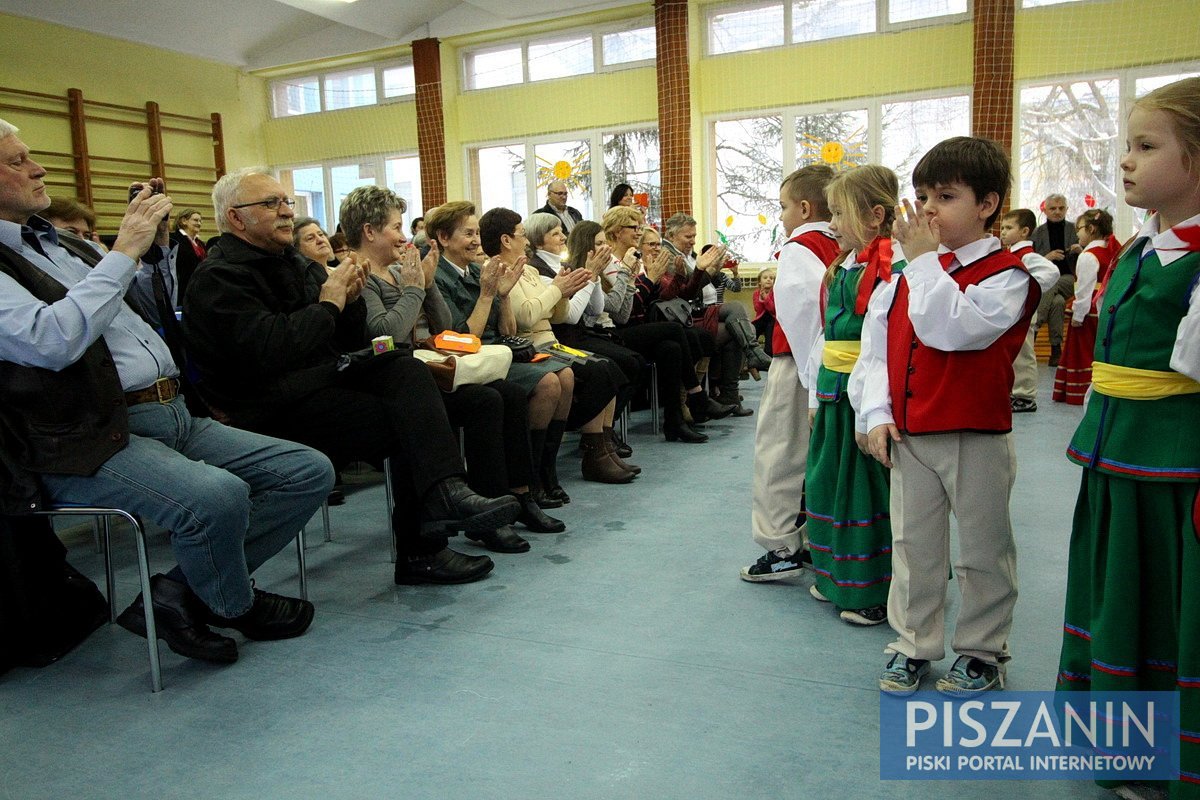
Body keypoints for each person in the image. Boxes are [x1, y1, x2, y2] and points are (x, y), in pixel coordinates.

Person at [0, 119, 333, 664]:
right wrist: (124, 247)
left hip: (171, 412)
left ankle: (178, 592)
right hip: (87, 437)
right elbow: (52, 339)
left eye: (30, 156)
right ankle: (230, 603)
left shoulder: (61, 245)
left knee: (307, 471)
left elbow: (135, 303)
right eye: (16, 162)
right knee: (216, 497)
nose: (38, 169)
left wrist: (149, 245)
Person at [183, 168, 519, 587]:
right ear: (236, 218)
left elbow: (342, 337)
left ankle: (444, 498)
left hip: (315, 382)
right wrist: (329, 304)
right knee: (412, 416)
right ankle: (425, 541)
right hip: (266, 404)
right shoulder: (220, 278)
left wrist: (351, 300)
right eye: (272, 204)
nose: (288, 213)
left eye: (287, 202)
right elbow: (271, 352)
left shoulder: (291, 263)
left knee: (405, 370)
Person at [853, 137, 1041, 696]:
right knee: (914, 547)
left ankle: (983, 648)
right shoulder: (909, 276)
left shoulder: (1010, 275)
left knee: (983, 549)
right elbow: (878, 350)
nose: (929, 208)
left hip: (975, 435)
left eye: (946, 195)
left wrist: (923, 264)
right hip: (911, 435)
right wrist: (876, 414)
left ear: (988, 204)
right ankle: (914, 642)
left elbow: (951, 330)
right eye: (922, 195)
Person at [1056, 77, 1200, 800]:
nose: (1127, 162)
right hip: (1117, 458)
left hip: (1174, 469)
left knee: (1165, 601)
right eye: (1126, 147)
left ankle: (1165, 749)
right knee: (1116, 590)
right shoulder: (1143, 249)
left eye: (1147, 147)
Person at [345, 186, 563, 548]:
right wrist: (418, 288)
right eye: (396, 227)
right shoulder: (359, 275)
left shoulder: (401, 272)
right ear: (370, 232)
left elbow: (444, 326)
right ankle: (486, 512)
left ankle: (516, 497)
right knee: (486, 400)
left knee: (504, 394)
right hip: (392, 381)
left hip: (424, 369)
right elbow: (387, 336)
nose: (403, 237)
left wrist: (424, 286)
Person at [803, 165, 906, 626]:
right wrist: (813, 393)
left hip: (864, 397)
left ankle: (874, 589)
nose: (832, 224)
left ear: (874, 216)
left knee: (863, 492)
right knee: (827, 483)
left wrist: (872, 406)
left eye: (840, 213)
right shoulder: (840, 268)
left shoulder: (893, 269)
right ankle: (834, 575)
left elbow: (885, 346)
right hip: (832, 391)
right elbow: (824, 336)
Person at [427, 201, 577, 507]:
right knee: (547, 384)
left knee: (567, 375)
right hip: (471, 359)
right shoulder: (439, 278)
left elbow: (507, 329)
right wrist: (487, 294)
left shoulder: (472, 270)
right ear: (444, 238)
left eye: (477, 233)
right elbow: (463, 339)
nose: (476, 240)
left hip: (498, 351)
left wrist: (504, 295)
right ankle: (528, 485)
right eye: (468, 233)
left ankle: (539, 475)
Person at [479, 207, 635, 484]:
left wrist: (561, 292)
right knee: (599, 373)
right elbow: (525, 316)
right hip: (534, 345)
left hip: (552, 341)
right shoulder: (498, 270)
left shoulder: (527, 270)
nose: (526, 242)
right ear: (506, 240)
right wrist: (557, 290)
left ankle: (600, 448)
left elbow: (559, 314)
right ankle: (588, 454)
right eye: (521, 235)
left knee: (607, 366)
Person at [740, 165, 840, 582]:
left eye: (783, 207)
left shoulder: (800, 247)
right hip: (830, 364)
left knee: (779, 453)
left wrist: (811, 383)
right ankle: (819, 539)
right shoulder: (840, 244)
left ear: (803, 208)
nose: (780, 216)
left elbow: (805, 320)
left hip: (798, 364)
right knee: (817, 455)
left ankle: (779, 545)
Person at [526, 212, 642, 457]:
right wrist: (593, 274)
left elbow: (597, 307)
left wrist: (595, 275)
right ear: (538, 240)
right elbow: (570, 316)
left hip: (574, 334)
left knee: (621, 364)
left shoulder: (561, 265)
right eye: (555, 233)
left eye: (562, 232)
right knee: (607, 369)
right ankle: (592, 440)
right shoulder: (539, 269)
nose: (562, 237)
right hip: (561, 338)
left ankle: (602, 439)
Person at [1052, 208, 1115, 406]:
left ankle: (1078, 391)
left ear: (1091, 229)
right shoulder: (1108, 250)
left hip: (1089, 312)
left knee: (1083, 353)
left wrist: (1078, 315)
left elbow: (1084, 289)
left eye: (1079, 228)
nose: (1077, 233)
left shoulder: (1089, 256)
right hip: (1103, 309)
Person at [999, 208, 1042, 413]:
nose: (1003, 232)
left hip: (1024, 312)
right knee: (1014, 353)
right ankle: (1014, 390)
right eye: (1003, 227)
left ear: (1024, 231)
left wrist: (1028, 292)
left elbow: (1050, 272)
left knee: (1024, 353)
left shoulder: (1028, 256)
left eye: (1009, 228)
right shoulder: (1011, 253)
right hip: (1013, 313)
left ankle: (1025, 395)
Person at [1032, 193, 1080, 365]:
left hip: (1069, 279)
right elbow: (1032, 260)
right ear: (1045, 210)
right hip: (1047, 279)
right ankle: (1056, 350)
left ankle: (1035, 327)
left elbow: (1090, 257)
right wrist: (1048, 257)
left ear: (1067, 209)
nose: (1057, 212)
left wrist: (1079, 250)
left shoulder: (1075, 230)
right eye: (1053, 208)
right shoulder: (1037, 233)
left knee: (1052, 285)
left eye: (1061, 208)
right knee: (1057, 302)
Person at [169, 207, 206, 303]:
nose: (199, 223)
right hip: (181, 291)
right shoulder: (173, 240)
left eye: (200, 221)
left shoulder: (201, 243)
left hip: (200, 290)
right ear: (184, 221)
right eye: (195, 220)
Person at [751, 266, 776, 357]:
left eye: (771, 278)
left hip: (772, 319)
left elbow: (773, 309)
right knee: (751, 331)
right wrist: (761, 298)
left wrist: (766, 299)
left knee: (770, 334)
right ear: (760, 282)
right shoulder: (756, 293)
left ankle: (768, 356)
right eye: (765, 278)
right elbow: (757, 309)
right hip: (760, 318)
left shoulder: (775, 293)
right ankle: (752, 353)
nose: (768, 280)